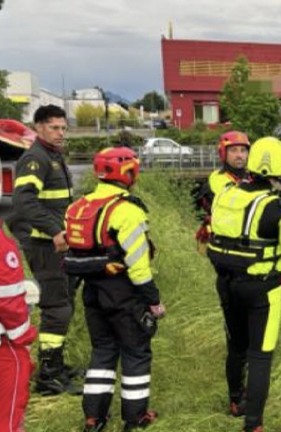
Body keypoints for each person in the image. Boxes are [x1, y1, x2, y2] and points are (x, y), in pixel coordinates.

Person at [207, 137, 281, 432]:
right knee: (260, 356)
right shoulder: (280, 210)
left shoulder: (224, 196)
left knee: (236, 346)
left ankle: (234, 401)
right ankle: (253, 424)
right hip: (262, 292)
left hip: (227, 285)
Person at [63, 147, 164, 432]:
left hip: (92, 291)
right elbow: (139, 266)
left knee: (103, 351)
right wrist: (154, 301)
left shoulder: (78, 207)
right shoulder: (127, 211)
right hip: (123, 292)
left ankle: (94, 418)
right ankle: (135, 418)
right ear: (127, 173)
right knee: (136, 352)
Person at [9, 104, 80, 395]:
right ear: (39, 127)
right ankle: (49, 376)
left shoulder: (53, 155)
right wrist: (54, 231)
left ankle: (57, 365)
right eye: (54, 127)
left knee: (65, 302)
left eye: (63, 128)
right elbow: (24, 202)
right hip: (44, 244)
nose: (60, 133)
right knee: (56, 308)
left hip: (58, 243)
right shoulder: (35, 158)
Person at [0, 220, 38, 432]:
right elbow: (9, 300)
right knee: (8, 421)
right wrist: (24, 340)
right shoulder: (2, 246)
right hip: (4, 347)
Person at [195, 131, 251, 251]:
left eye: (243, 150)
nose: (239, 155)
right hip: (222, 245)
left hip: (248, 244)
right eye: (233, 150)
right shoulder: (215, 181)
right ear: (223, 153)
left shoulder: (253, 178)